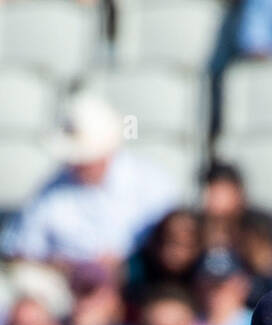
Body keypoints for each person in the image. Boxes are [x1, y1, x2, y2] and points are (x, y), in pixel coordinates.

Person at [0, 91, 179, 268]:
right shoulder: (53, 190)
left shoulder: (155, 184)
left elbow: (176, 244)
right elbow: (19, 248)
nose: (75, 165)